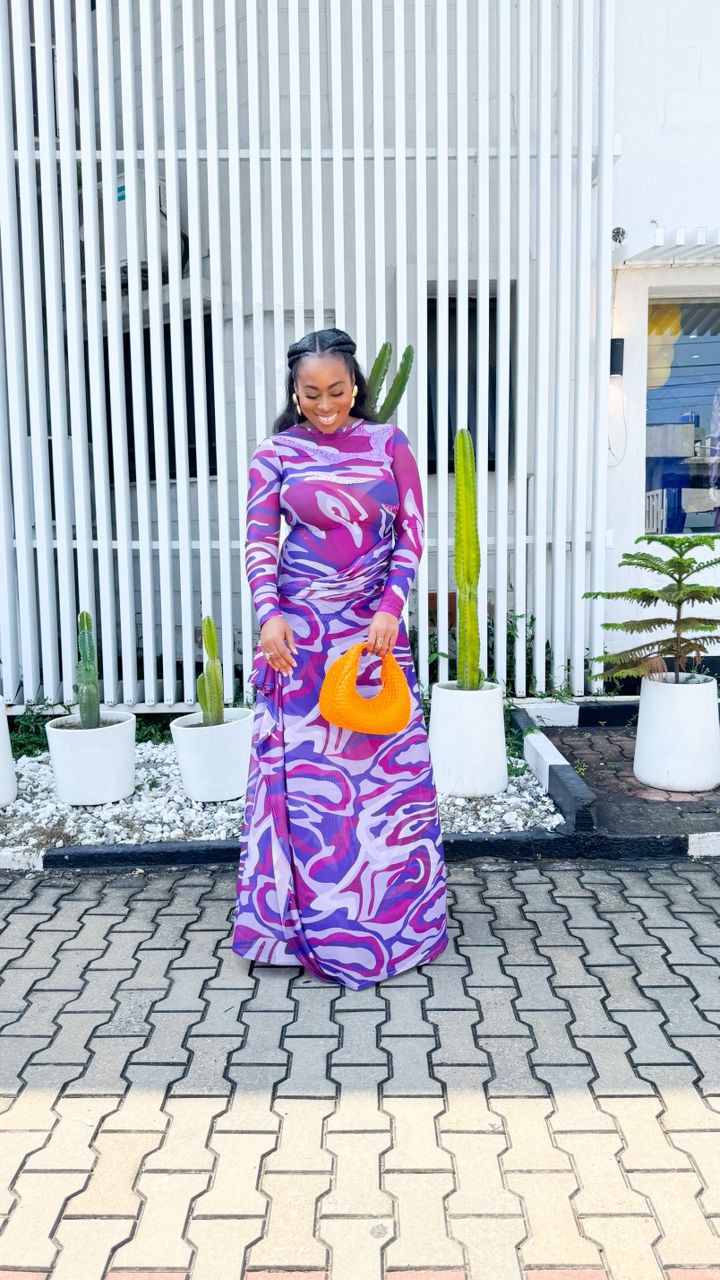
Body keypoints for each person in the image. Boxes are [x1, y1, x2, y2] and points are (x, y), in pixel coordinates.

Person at [232, 327, 448, 989]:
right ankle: (297, 926)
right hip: (300, 636)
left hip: (373, 632)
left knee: (383, 777)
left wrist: (391, 607)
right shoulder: (276, 452)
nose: (324, 405)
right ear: (294, 394)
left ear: (355, 386)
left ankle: (391, 920)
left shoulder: (390, 444)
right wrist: (269, 615)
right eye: (310, 394)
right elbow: (259, 540)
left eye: (335, 390)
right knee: (306, 782)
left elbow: (411, 532)